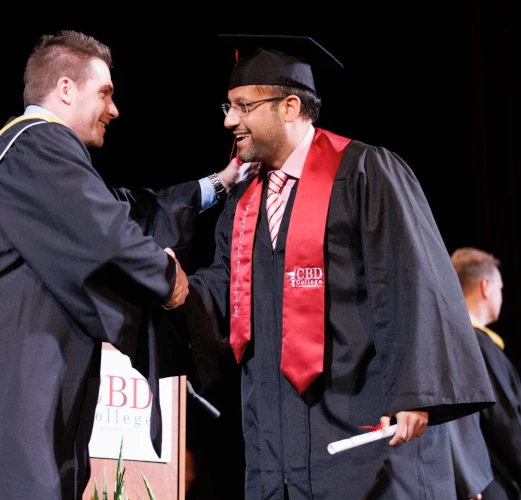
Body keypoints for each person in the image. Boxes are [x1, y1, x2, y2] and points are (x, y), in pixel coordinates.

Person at [0, 30, 242, 500]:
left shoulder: (26, 156)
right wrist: (168, 281)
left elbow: (120, 209)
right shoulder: (37, 144)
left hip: (6, 394)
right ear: (65, 88)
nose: (114, 109)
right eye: (105, 93)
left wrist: (218, 185)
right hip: (2, 400)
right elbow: (104, 228)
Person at [180, 34, 496, 499]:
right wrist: (174, 287)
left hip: (366, 439)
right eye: (228, 107)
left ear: (289, 107)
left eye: (244, 106)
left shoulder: (365, 172)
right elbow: (227, 289)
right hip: (276, 452)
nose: (231, 121)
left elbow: (413, 280)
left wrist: (415, 392)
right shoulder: (244, 202)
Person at [450, 247, 521, 499]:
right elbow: (506, 420)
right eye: (500, 289)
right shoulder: (480, 345)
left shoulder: (445, 339)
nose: (501, 296)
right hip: (491, 478)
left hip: (463, 480)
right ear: (486, 286)